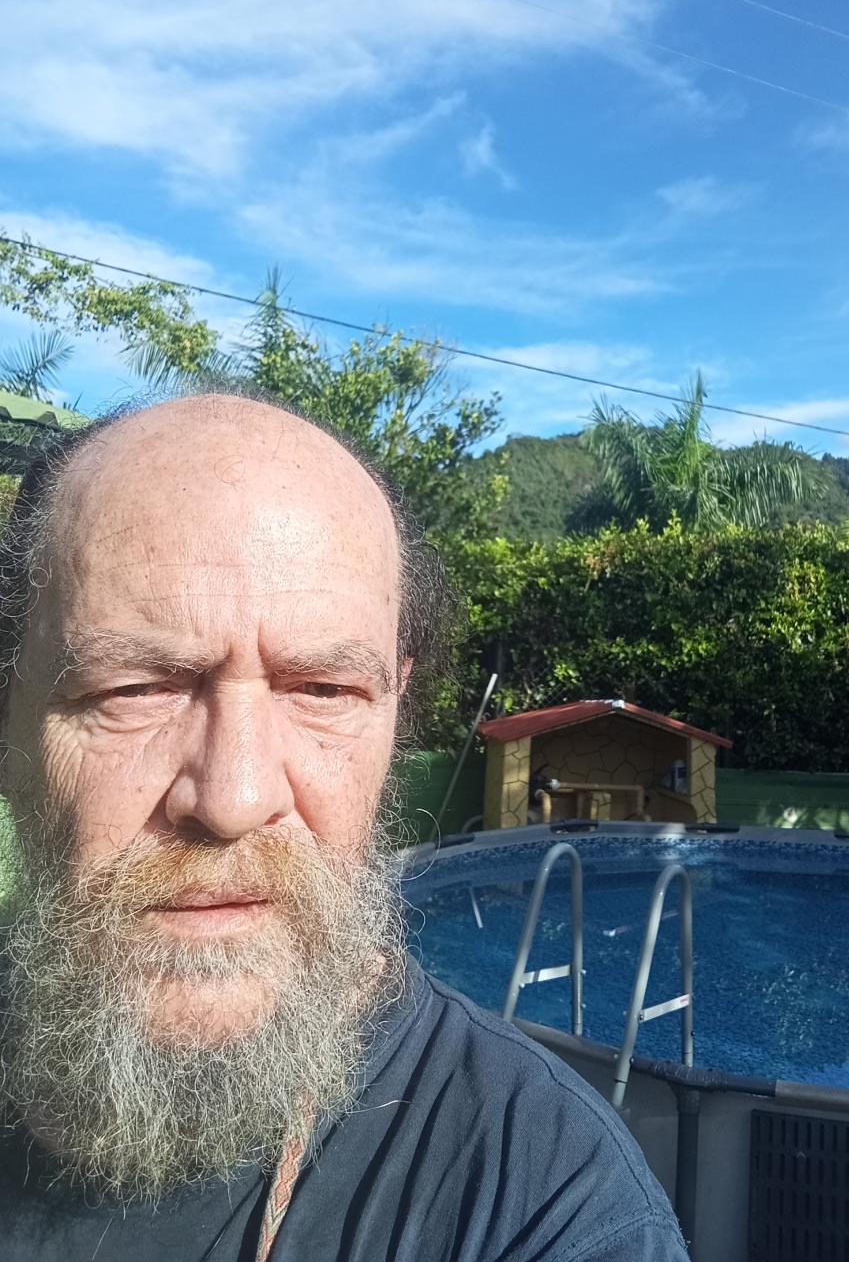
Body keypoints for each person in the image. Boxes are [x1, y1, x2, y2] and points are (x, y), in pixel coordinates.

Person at [0, 393, 689, 1262]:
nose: (234, 800)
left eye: (324, 690)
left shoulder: (544, 1206)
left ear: (394, 715)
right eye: (134, 688)